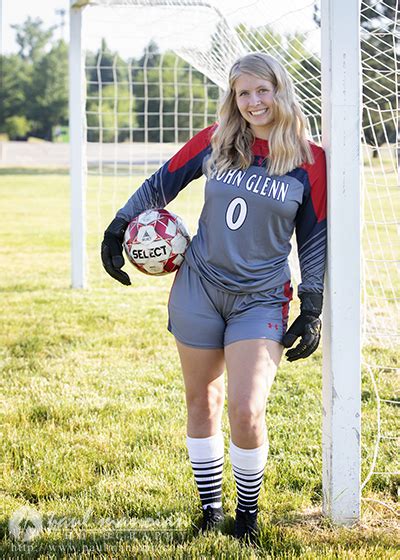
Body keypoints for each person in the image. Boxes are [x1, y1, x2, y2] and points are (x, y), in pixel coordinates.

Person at [101, 52, 327, 543]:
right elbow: (161, 183)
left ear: (280, 90)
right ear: (233, 97)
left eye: (261, 90)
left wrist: (312, 305)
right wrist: (119, 225)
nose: (253, 102)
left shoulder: (311, 160)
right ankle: (211, 508)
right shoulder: (216, 140)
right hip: (199, 287)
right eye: (242, 93)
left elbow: (314, 235)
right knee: (201, 398)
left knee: (246, 409)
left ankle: (248, 514)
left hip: (260, 299)